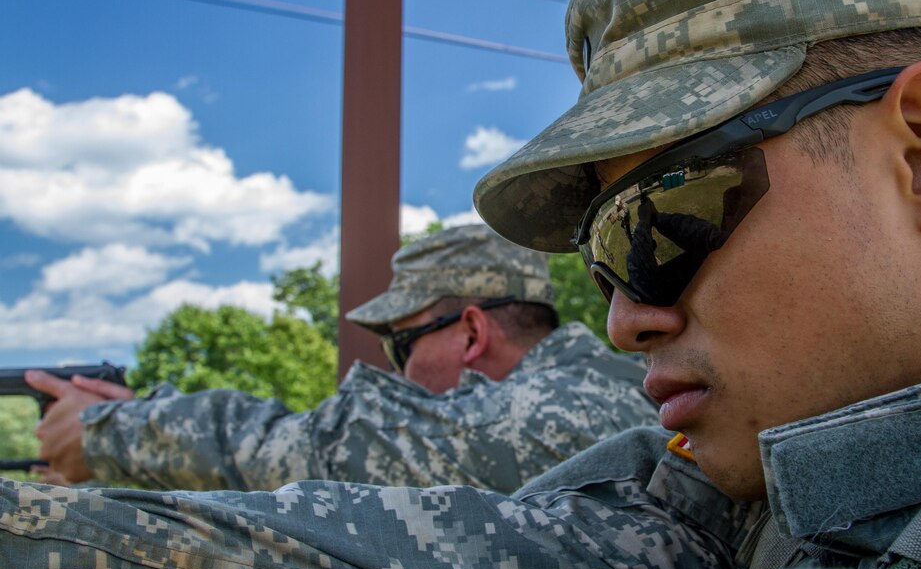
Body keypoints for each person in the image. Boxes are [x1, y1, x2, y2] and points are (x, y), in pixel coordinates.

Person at [2, 0, 921, 569]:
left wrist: (121, 431)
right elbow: (371, 563)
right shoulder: (743, 488)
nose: (621, 318)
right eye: (600, 263)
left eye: (659, 222)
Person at [23, 224, 656, 492]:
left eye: (401, 343)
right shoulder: (597, 388)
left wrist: (112, 434)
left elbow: (330, 447)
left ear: (470, 333)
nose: (396, 370)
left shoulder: (563, 405)